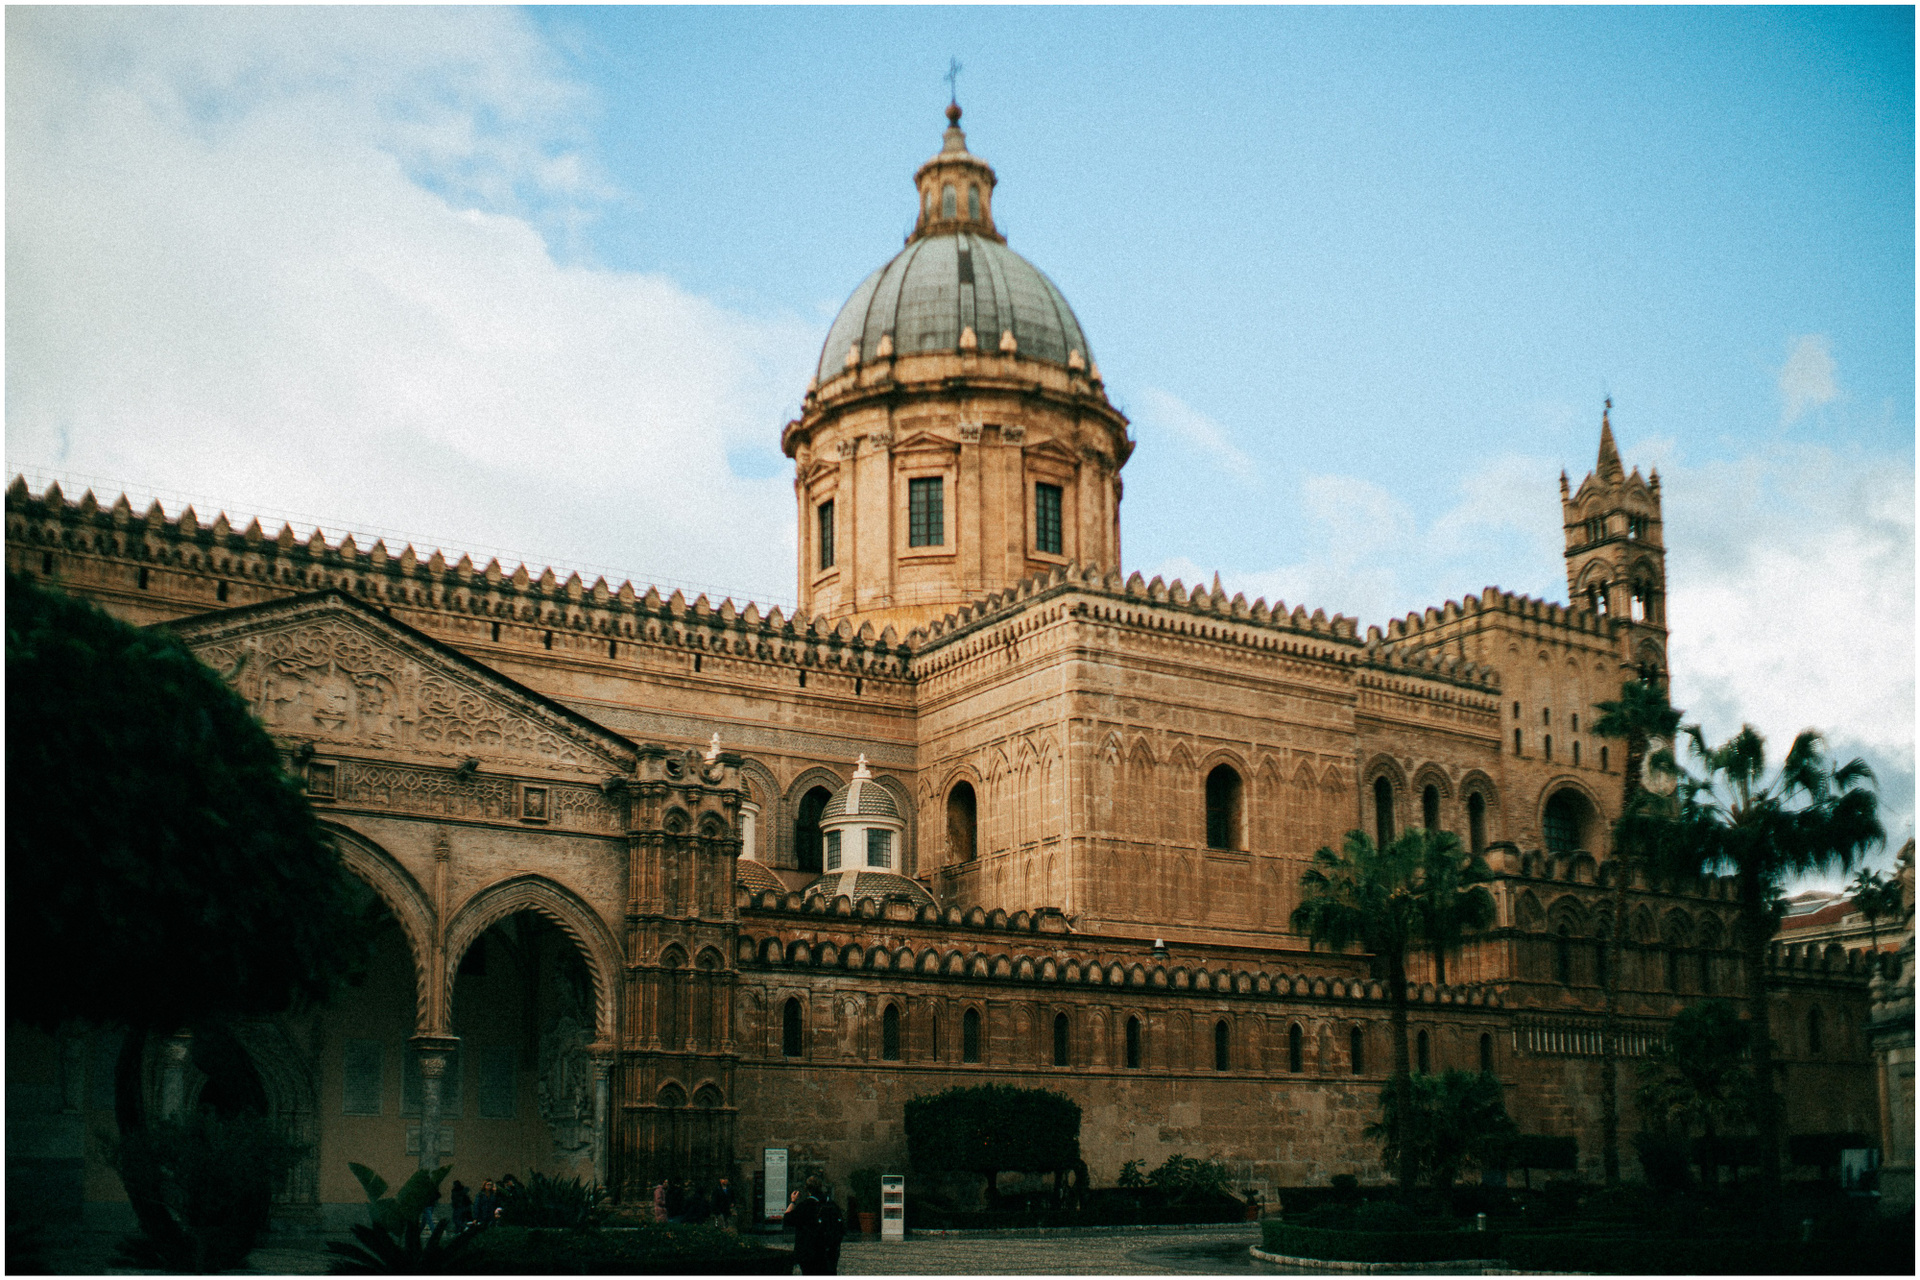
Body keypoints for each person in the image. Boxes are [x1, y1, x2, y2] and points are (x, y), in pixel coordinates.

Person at [786, 1176, 845, 1276]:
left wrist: (793, 1201)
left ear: (807, 1189)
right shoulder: (831, 1204)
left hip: (809, 1253)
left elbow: (787, 1219)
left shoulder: (805, 1206)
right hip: (829, 1251)